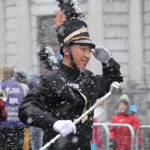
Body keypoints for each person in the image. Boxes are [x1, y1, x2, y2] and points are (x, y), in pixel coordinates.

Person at [18, 1, 123, 150]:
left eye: (89, 50)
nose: (88, 55)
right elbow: (26, 109)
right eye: (82, 49)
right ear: (66, 51)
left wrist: (108, 62)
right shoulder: (50, 81)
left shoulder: (88, 78)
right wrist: (54, 123)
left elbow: (113, 84)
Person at [0, 65, 25, 150]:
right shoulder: (22, 87)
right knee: (17, 147)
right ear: (14, 75)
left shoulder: (2, 87)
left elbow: (1, 103)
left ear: (3, 75)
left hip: (4, 124)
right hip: (19, 124)